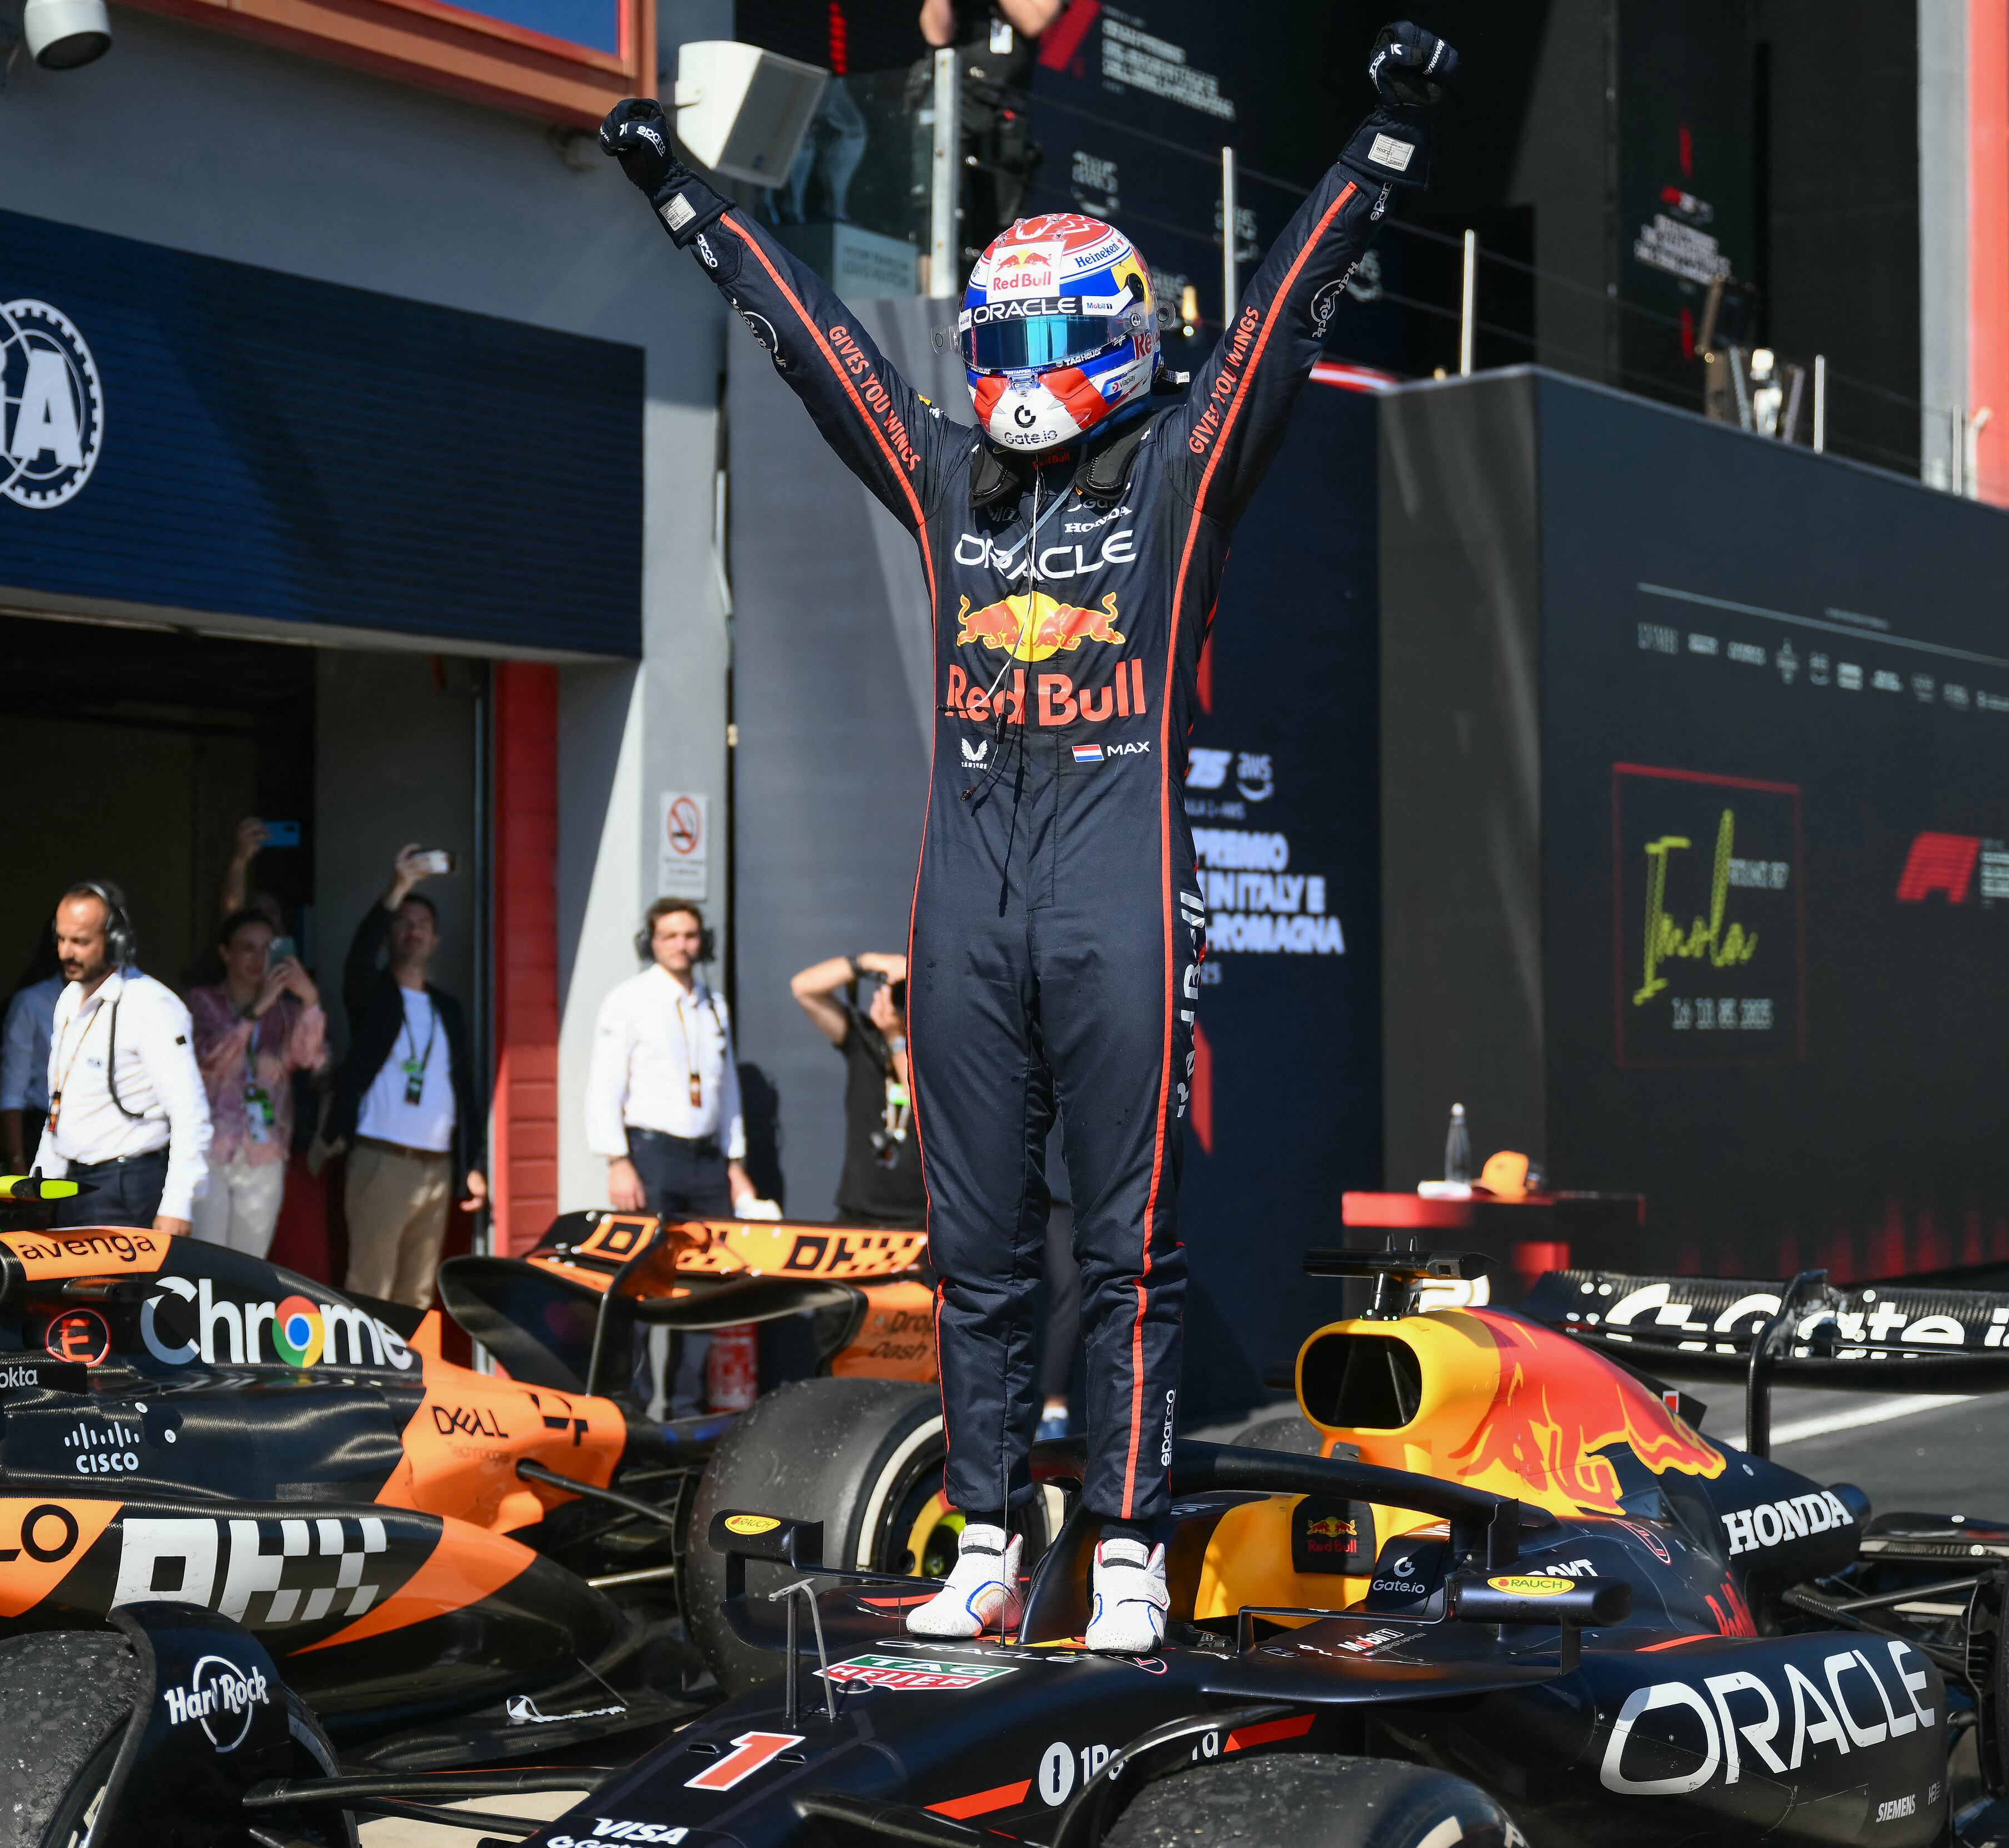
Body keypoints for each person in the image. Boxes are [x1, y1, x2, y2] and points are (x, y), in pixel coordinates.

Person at [599, 19, 1457, 1653]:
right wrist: (689, 202)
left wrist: (1386, 140)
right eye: (998, 334)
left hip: (1114, 892)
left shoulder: (1182, 470)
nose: (1014, 362)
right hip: (964, 907)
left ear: (1115, 339)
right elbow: (814, 343)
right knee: (974, 1257)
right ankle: (989, 1534)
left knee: (1127, 1249)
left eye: (1048, 332)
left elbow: (1276, 317)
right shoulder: (944, 477)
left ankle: (1125, 1542)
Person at [328, 847, 486, 1307]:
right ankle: (361, 1380)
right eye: (404, 922)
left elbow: (465, 1090)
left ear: (436, 939)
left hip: (437, 1167)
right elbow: (358, 959)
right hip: (383, 1161)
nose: (413, 931)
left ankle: (403, 1380)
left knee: (416, 1294)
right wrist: (398, 889)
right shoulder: (373, 996)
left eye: (423, 925)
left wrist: (471, 1163)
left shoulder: (447, 1008)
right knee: (369, 1288)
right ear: (390, 934)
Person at [36, 882, 209, 1235]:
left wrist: (178, 1203)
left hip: (128, 1186)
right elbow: (63, 1100)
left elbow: (190, 1111)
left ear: (116, 941)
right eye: (61, 939)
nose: (66, 952)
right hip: (72, 1185)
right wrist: (42, 1180)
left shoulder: (151, 1005)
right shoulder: (68, 1000)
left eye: (81, 942)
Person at [588, 900, 756, 1220]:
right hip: (653, 1157)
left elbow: (727, 1089)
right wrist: (617, 1162)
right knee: (652, 1260)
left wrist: (735, 1164)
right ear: (650, 941)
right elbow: (605, 1086)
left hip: (708, 1160)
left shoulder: (714, 1005)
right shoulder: (628, 1000)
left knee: (713, 1258)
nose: (681, 945)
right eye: (670, 936)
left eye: (690, 936)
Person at [187, 911, 327, 1258]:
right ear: (225, 954)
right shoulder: (201, 1001)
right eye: (248, 949)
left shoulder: (286, 1013)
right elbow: (210, 1057)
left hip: (263, 1151)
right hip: (209, 1148)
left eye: (268, 949)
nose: (260, 959)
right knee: (206, 1261)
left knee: (248, 1265)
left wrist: (311, 1002)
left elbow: (310, 1058)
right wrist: (255, 1009)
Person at [789, 951, 926, 1229]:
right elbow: (804, 988)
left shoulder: (940, 1049)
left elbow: (922, 1102)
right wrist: (868, 963)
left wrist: (896, 1038)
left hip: (920, 1216)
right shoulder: (864, 1040)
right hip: (859, 1211)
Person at [917, 0, 1063, 251]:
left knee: (1003, 226)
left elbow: (1035, 20)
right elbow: (936, 34)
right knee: (934, 213)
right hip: (950, 97)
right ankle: (933, 289)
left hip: (1005, 110)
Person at [0, 929, 62, 1170]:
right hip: (43, 1130)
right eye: (65, 939)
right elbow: (13, 1091)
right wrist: (19, 1165)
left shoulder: (123, 1000)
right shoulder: (32, 1002)